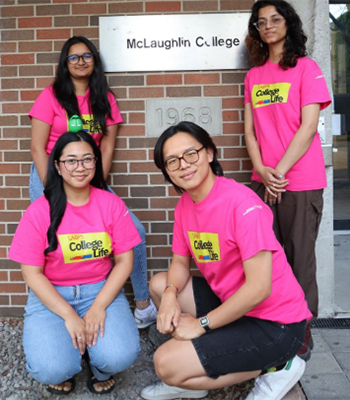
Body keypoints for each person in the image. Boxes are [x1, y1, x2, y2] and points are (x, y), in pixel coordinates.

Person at [140, 121, 312, 400]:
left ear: (209, 153)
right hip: (233, 304)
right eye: (172, 161)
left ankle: (279, 365)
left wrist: (201, 324)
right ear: (167, 171)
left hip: (275, 323)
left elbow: (259, 288)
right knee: (160, 284)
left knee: (165, 364)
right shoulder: (186, 204)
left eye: (190, 154)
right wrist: (171, 294)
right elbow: (180, 263)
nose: (183, 165)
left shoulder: (243, 205)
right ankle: (197, 372)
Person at [28, 36, 157, 328]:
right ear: (65, 63)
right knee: (52, 240)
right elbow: (37, 148)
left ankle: (142, 306)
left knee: (133, 232)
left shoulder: (104, 98)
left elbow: (107, 147)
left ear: (95, 61)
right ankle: (50, 311)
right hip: (49, 175)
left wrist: (96, 184)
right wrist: (55, 186)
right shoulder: (51, 95)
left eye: (87, 55)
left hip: (88, 175)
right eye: (73, 57)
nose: (81, 61)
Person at [8, 131, 140, 395]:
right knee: (51, 369)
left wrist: (99, 306)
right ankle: (69, 361)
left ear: (96, 162)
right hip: (52, 294)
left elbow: (125, 261)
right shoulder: (39, 211)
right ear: (57, 165)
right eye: (71, 160)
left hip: (99, 290)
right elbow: (32, 274)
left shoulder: (111, 204)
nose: (80, 167)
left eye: (87, 159)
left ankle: (98, 364)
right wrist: (69, 315)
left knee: (118, 357)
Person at [244, 0, 331, 361]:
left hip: (300, 181)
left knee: (299, 260)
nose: (268, 26)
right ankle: (274, 329)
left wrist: (276, 171)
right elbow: (249, 131)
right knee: (269, 262)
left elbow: (308, 127)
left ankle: (300, 335)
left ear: (288, 24)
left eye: (275, 19)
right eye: (261, 22)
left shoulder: (306, 69)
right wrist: (262, 171)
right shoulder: (253, 76)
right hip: (265, 181)